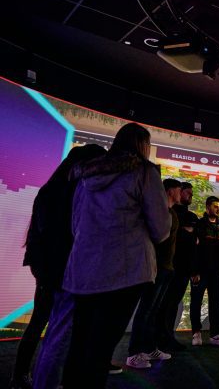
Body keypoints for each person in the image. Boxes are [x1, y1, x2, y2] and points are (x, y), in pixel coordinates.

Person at [61, 123, 170, 389]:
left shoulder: (86, 175)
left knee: (80, 343)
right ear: (143, 146)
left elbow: (75, 225)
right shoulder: (144, 173)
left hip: (84, 270)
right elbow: (161, 229)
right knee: (102, 346)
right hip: (125, 270)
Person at [10, 144, 106, 389]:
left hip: (51, 267)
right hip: (56, 268)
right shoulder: (62, 191)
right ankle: (25, 377)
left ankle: (26, 376)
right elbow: (55, 234)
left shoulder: (56, 189)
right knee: (47, 324)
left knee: (46, 323)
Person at [126, 178, 182, 369]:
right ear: (169, 191)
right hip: (154, 268)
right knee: (146, 310)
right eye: (178, 190)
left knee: (154, 311)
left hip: (167, 268)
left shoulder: (172, 212)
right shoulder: (159, 212)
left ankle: (149, 348)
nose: (181, 193)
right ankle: (134, 353)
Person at [160, 182, 198, 351]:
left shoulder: (189, 216)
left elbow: (195, 242)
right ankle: (160, 339)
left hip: (183, 268)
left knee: (172, 304)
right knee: (164, 304)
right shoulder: (168, 212)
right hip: (169, 266)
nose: (190, 195)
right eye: (187, 192)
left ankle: (167, 337)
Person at [190, 196, 219, 347]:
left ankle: (215, 335)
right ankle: (196, 333)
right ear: (208, 207)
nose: (218, 209)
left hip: (216, 272)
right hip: (200, 272)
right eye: (215, 206)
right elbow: (193, 249)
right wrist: (194, 271)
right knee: (196, 302)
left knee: (216, 303)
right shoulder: (200, 225)